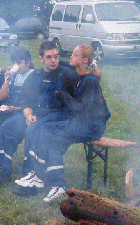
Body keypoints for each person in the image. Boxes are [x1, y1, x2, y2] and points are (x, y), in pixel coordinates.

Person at [14, 44, 110, 202]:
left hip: (92, 126)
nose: (70, 57)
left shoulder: (90, 82)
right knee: (53, 142)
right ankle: (57, 185)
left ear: (84, 60)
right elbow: (61, 63)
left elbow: (83, 111)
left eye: (74, 55)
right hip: (81, 122)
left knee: (46, 130)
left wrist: (64, 96)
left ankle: (37, 175)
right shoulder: (79, 74)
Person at [0, 41, 77, 191]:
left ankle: (30, 178)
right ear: (41, 59)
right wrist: (28, 114)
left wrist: (95, 69)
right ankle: (2, 172)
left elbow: (85, 73)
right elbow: (26, 101)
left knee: (32, 130)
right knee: (7, 127)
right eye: (49, 57)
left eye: (56, 56)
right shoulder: (35, 76)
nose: (53, 60)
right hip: (35, 113)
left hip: (57, 115)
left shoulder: (67, 74)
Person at [0, 47, 34, 172]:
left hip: (23, 112)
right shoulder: (15, 76)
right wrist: (8, 78)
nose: (17, 66)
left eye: (19, 63)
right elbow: (3, 96)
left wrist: (15, 108)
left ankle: (1, 164)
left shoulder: (33, 76)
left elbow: (33, 104)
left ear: (28, 63)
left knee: (6, 127)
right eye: (15, 63)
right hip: (9, 109)